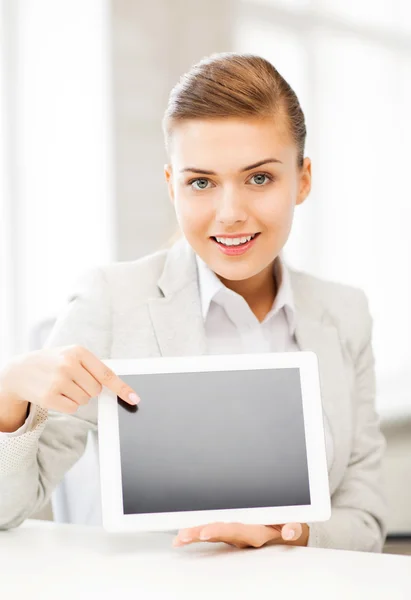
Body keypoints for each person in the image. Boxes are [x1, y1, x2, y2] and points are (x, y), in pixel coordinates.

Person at [0, 53, 386, 551]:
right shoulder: (112, 301)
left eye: (260, 178)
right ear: (172, 186)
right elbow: (6, 510)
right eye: (201, 182)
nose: (230, 214)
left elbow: (367, 520)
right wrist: (9, 397)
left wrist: (285, 536)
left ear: (303, 178)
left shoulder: (345, 314)